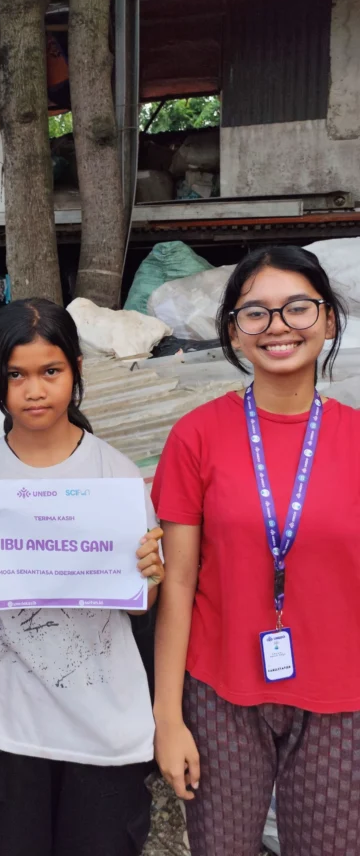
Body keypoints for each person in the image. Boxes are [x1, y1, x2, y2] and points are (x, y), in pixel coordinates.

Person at [0, 298, 164, 856]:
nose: (34, 390)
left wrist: (149, 574)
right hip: (8, 724)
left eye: (50, 371)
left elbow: (139, 605)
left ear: (76, 370)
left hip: (105, 726)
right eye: (17, 375)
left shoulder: (115, 476)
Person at [152, 245, 360, 856]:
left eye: (298, 307)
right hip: (219, 694)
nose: (278, 326)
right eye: (255, 313)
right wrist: (168, 718)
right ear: (234, 333)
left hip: (341, 700)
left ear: (328, 321)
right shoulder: (196, 437)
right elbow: (178, 584)